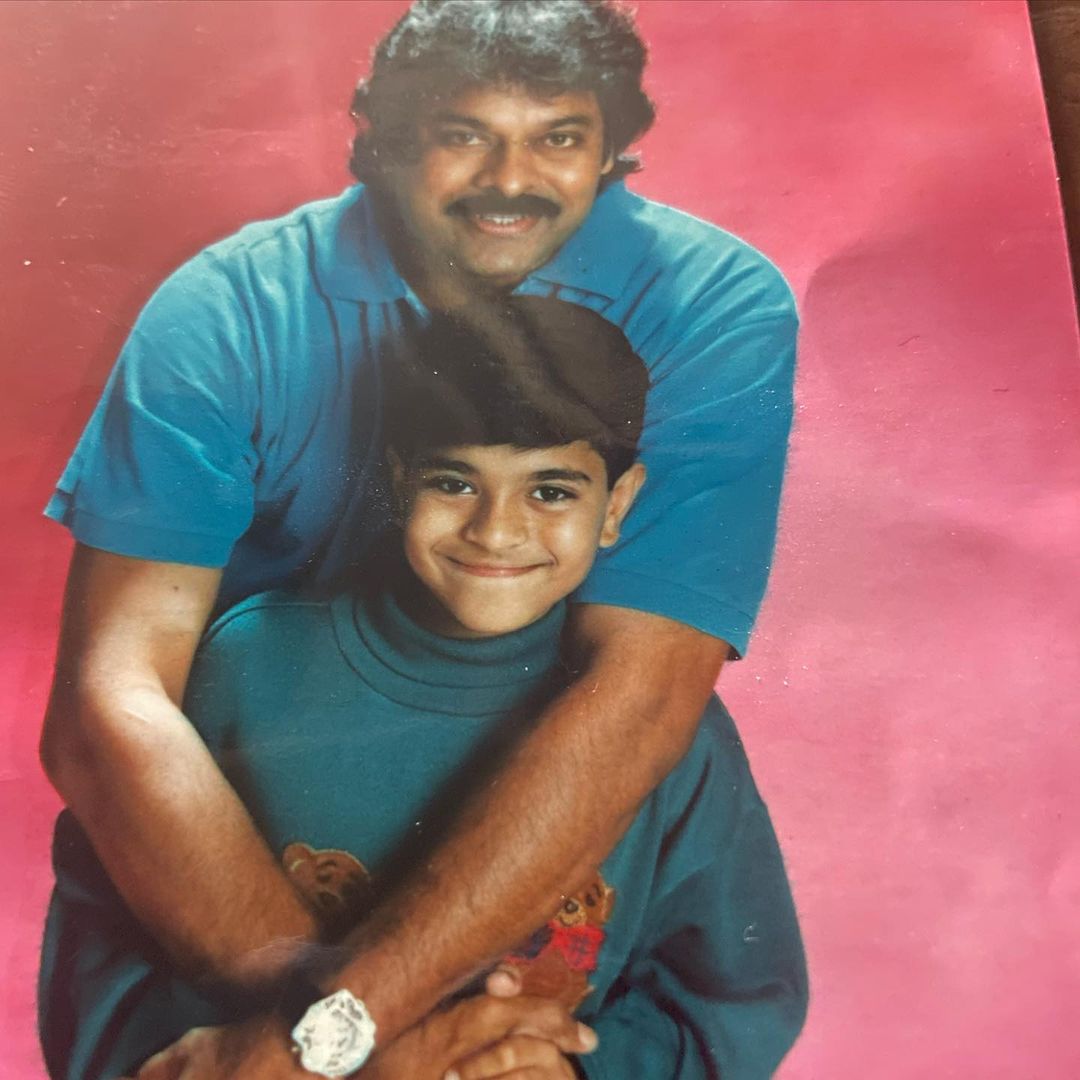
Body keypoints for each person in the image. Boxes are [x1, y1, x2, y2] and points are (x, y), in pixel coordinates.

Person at [40, 1, 798, 1073]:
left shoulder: (715, 303)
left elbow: (641, 700)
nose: (511, 180)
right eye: (462, 134)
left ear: (611, 146)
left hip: (535, 834)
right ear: (391, 137)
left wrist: (336, 1046)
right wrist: (344, 1050)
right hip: (240, 826)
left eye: (559, 136)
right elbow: (111, 704)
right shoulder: (226, 311)